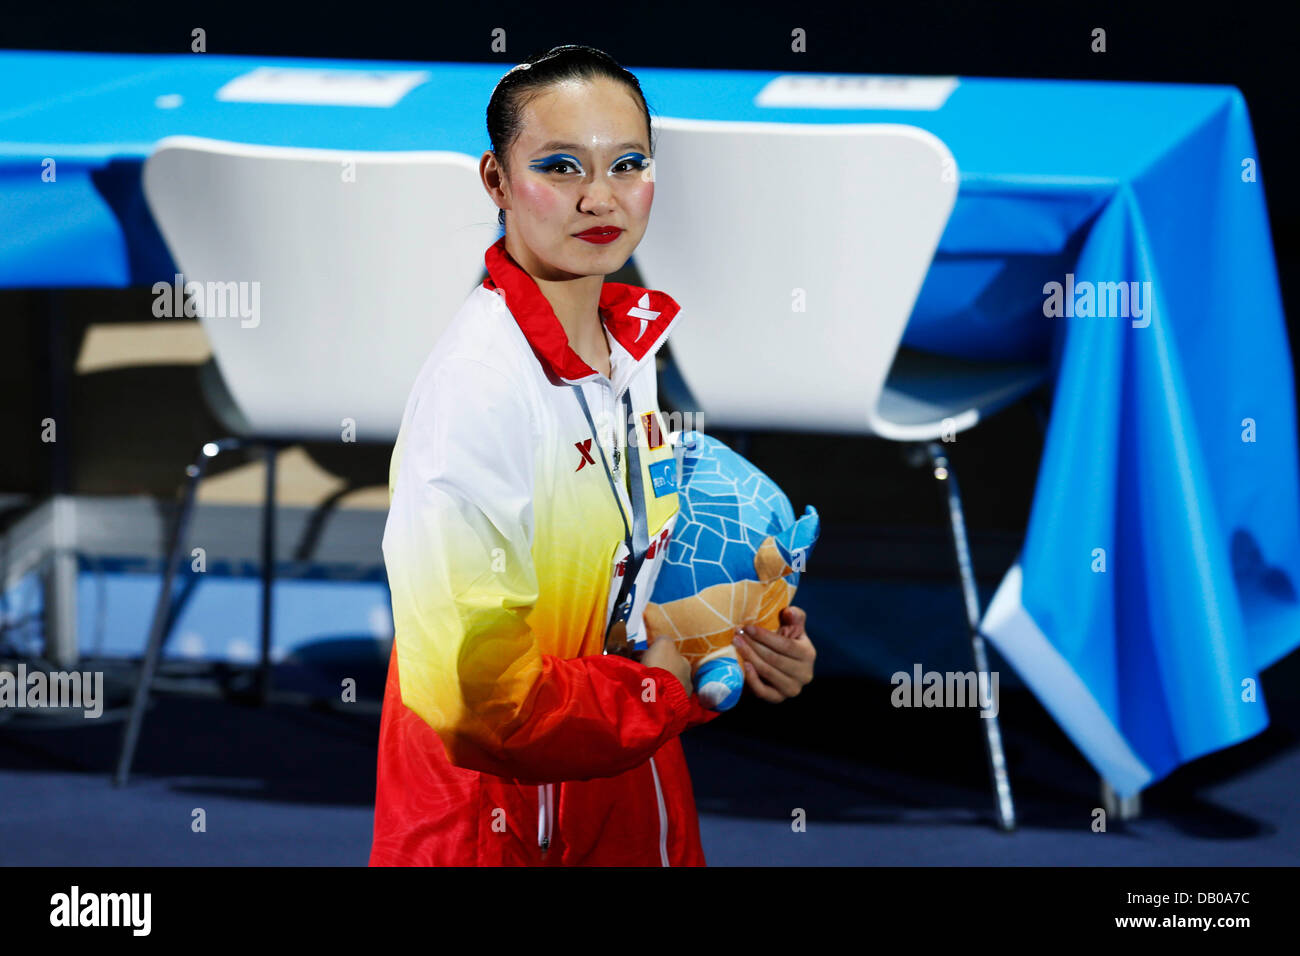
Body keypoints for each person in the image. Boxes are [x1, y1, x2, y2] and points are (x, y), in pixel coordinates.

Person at [369, 44, 816, 867]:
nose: (599, 198)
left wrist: (733, 637)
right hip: (491, 816)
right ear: (495, 182)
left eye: (629, 164)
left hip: (623, 782)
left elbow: (626, 587)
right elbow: (476, 697)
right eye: (560, 166)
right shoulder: (478, 386)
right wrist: (664, 688)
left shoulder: (627, 352)